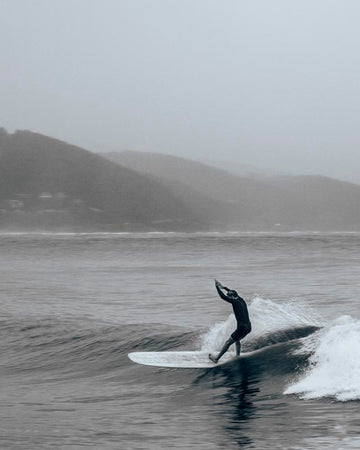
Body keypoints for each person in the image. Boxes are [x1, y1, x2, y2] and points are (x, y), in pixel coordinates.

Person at [209, 280, 252, 363]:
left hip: (242, 327)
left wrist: (217, 287)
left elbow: (222, 297)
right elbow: (232, 292)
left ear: (232, 297)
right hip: (249, 327)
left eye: (229, 297)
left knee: (228, 342)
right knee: (237, 339)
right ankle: (238, 356)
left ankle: (216, 359)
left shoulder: (234, 302)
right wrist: (224, 287)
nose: (228, 298)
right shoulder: (241, 299)